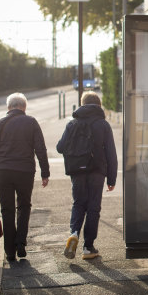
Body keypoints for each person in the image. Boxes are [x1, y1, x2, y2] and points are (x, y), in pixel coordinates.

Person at [0, 92, 50, 262]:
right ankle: (20, 244)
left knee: (7, 210)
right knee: (24, 207)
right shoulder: (32, 122)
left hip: (3, 171)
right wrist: (45, 172)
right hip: (25, 171)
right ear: (24, 107)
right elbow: (40, 149)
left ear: (8, 107)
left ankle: (9, 251)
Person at [57, 91, 117, 260]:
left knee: (78, 203)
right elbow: (111, 153)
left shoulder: (72, 124)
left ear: (82, 104)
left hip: (77, 170)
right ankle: (88, 247)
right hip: (97, 170)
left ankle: (74, 233)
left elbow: (60, 147)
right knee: (93, 208)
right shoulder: (103, 124)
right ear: (98, 105)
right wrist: (111, 179)